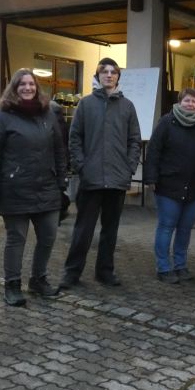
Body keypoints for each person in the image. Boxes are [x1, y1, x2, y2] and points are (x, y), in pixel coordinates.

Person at [0, 69, 67, 306]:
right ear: (14, 88)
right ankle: (12, 285)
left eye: (31, 84)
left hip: (47, 188)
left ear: (37, 87)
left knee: (48, 236)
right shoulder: (2, 116)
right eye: (22, 84)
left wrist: (62, 181)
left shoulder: (48, 114)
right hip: (15, 189)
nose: (27, 88)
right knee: (16, 239)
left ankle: (38, 280)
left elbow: (59, 151)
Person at [60, 57, 141, 290]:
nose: (109, 75)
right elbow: (74, 138)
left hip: (117, 179)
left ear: (118, 77)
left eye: (113, 72)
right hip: (91, 178)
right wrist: (82, 166)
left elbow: (134, 140)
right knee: (83, 230)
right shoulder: (85, 105)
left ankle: (105, 271)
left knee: (110, 231)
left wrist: (128, 167)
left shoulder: (127, 106)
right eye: (104, 71)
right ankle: (72, 273)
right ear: (98, 76)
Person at [145, 87, 195, 284]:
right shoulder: (166, 122)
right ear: (179, 102)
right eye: (187, 100)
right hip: (169, 185)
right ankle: (163, 267)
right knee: (166, 226)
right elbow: (154, 151)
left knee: (185, 229)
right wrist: (151, 178)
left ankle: (181, 265)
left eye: (194, 101)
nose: (190, 104)